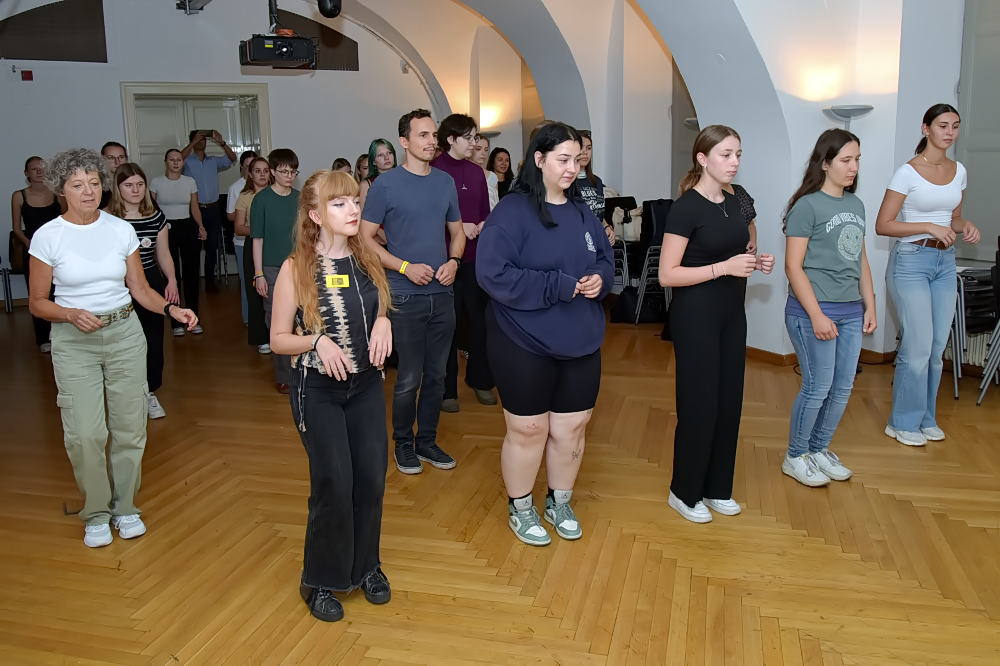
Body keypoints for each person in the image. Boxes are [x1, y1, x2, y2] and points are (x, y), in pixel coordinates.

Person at [27, 148, 197, 548]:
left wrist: (171, 309)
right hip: (74, 341)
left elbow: (140, 288)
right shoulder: (48, 236)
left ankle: (125, 507)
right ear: (62, 190)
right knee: (85, 434)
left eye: (93, 183)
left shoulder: (120, 229)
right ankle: (96, 513)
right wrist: (69, 314)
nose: (88, 191)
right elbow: (36, 302)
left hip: (124, 334)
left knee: (129, 428)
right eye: (77, 185)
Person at [477, 122, 615, 546]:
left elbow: (605, 259)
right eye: (563, 159)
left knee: (572, 426)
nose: (573, 168)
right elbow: (492, 274)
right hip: (522, 339)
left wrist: (600, 279)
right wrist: (558, 284)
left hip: (580, 337)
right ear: (539, 159)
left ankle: (560, 501)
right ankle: (521, 507)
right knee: (529, 429)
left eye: (577, 160)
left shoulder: (582, 212)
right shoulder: (512, 212)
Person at [270, 169, 393, 622]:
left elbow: (380, 303)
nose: (353, 209)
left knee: (371, 480)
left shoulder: (366, 258)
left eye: (354, 201)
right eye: (339, 203)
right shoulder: (295, 268)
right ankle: (319, 579)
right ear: (316, 215)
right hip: (317, 390)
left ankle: (366, 567)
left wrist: (385, 320)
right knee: (334, 484)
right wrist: (316, 340)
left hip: (366, 386)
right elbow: (278, 339)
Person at [658, 125, 774, 524]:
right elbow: (668, 274)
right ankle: (684, 491)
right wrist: (724, 268)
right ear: (702, 158)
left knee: (729, 402)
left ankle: (717, 487)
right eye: (726, 154)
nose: (734, 162)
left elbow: (734, 250)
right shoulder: (686, 207)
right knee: (700, 403)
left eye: (738, 154)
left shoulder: (735, 201)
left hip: (731, 314)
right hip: (696, 316)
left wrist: (755, 261)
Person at [360, 109, 465, 475]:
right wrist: (404, 266)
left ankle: (427, 441)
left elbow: (458, 232)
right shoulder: (386, 185)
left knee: (437, 376)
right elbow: (364, 237)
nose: (431, 141)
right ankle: (403, 443)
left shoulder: (444, 182)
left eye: (433, 134)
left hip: (442, 294)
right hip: (404, 295)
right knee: (409, 378)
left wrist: (454, 261)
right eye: (423, 135)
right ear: (404, 141)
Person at [876, 103, 981, 447]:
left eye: (955, 125)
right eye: (942, 125)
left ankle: (925, 419)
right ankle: (901, 422)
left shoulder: (958, 170)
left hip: (944, 263)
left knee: (936, 348)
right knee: (918, 346)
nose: (950, 132)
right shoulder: (907, 173)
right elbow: (884, 225)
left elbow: (953, 218)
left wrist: (965, 225)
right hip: (911, 262)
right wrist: (927, 227)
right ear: (926, 129)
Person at [781, 129, 876, 487]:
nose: (853, 167)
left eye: (857, 160)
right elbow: (793, 267)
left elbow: (860, 259)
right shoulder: (806, 206)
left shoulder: (856, 205)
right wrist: (817, 315)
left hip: (850, 310)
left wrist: (870, 304)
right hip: (812, 311)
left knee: (842, 387)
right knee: (817, 386)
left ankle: (818, 449)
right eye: (846, 160)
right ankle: (796, 455)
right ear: (825, 163)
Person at [430, 114, 496, 412]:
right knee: (448, 326)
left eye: (475, 137)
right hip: (444, 262)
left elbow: (484, 211)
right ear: (451, 139)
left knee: (481, 323)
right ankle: (447, 390)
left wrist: (481, 223)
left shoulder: (477, 172)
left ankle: (480, 380)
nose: (474, 143)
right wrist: (459, 227)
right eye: (468, 137)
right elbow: (429, 218)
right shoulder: (434, 170)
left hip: (475, 260)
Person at [107, 163, 180, 420]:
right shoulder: (107, 218)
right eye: (128, 185)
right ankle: (123, 393)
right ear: (118, 188)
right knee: (121, 340)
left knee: (152, 338)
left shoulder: (155, 216)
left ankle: (149, 391)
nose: (135, 190)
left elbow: (163, 253)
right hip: (118, 284)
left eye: (140, 184)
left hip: (150, 280)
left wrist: (171, 280)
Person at [251, 149, 301, 393]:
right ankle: (284, 376)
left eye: (293, 172)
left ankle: (303, 370)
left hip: (299, 266)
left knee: (303, 317)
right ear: (272, 172)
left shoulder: (300, 198)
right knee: (277, 320)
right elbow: (257, 240)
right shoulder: (261, 200)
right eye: (284, 171)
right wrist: (259, 274)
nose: (289, 176)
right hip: (272, 268)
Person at [151, 149, 205, 336]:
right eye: (172, 159)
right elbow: (152, 209)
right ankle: (176, 322)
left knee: (191, 275)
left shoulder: (190, 182)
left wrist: (201, 226)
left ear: (183, 162)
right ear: (165, 162)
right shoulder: (156, 182)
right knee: (171, 276)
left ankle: (193, 318)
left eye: (179, 159)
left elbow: (194, 207)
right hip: (165, 229)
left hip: (188, 227)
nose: (175, 162)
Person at [10, 156, 62, 352]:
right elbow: (17, 228)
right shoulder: (19, 196)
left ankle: (62, 335)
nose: (39, 172)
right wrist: (29, 243)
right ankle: (43, 338)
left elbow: (66, 220)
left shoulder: (57, 193)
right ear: (26, 173)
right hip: (33, 252)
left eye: (42, 168)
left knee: (59, 292)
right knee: (39, 294)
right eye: (34, 169)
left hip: (57, 251)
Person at [181, 130, 236, 289]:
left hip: (213, 208)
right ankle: (193, 282)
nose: (201, 141)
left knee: (212, 246)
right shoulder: (187, 161)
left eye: (203, 139)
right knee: (194, 247)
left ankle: (210, 282)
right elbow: (177, 158)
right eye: (197, 139)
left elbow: (232, 158)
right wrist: (193, 143)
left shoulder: (213, 161)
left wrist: (221, 142)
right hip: (195, 209)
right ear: (192, 141)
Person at [235, 156, 273, 354]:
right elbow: (239, 227)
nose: (262, 175)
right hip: (253, 244)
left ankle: (279, 334)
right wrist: (259, 230)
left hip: (275, 245)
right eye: (257, 171)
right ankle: (261, 338)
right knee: (256, 292)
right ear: (250, 174)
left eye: (265, 170)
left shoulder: (276, 194)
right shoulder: (245, 196)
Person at [227, 150, 259, 325]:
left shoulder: (267, 188)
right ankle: (248, 318)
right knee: (247, 281)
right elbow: (231, 216)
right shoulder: (236, 188)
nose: (251, 170)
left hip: (262, 242)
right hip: (242, 242)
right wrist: (246, 214)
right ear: (243, 168)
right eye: (248, 167)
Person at [577, 131, 615, 244]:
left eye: (588, 148)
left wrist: (607, 227)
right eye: (581, 147)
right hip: (578, 240)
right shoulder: (567, 182)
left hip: (597, 240)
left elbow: (598, 213)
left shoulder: (597, 181)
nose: (585, 152)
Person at [358, 139, 396, 211]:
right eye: (380, 155)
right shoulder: (366, 185)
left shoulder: (403, 178)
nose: (386, 158)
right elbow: (362, 214)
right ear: (373, 161)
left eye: (389, 153)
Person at [724, 182, 758, 253]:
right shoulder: (706, 198)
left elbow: (750, 223)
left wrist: (752, 241)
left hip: (744, 255)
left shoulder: (739, 190)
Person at [471, 134, 499, 209]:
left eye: (486, 150)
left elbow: (496, 203)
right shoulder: (463, 174)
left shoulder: (492, 176)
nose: (483, 153)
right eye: (478, 149)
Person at [98, 141, 128, 209]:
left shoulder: (136, 183)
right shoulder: (96, 186)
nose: (117, 162)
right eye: (111, 158)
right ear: (102, 160)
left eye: (121, 157)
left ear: (126, 159)